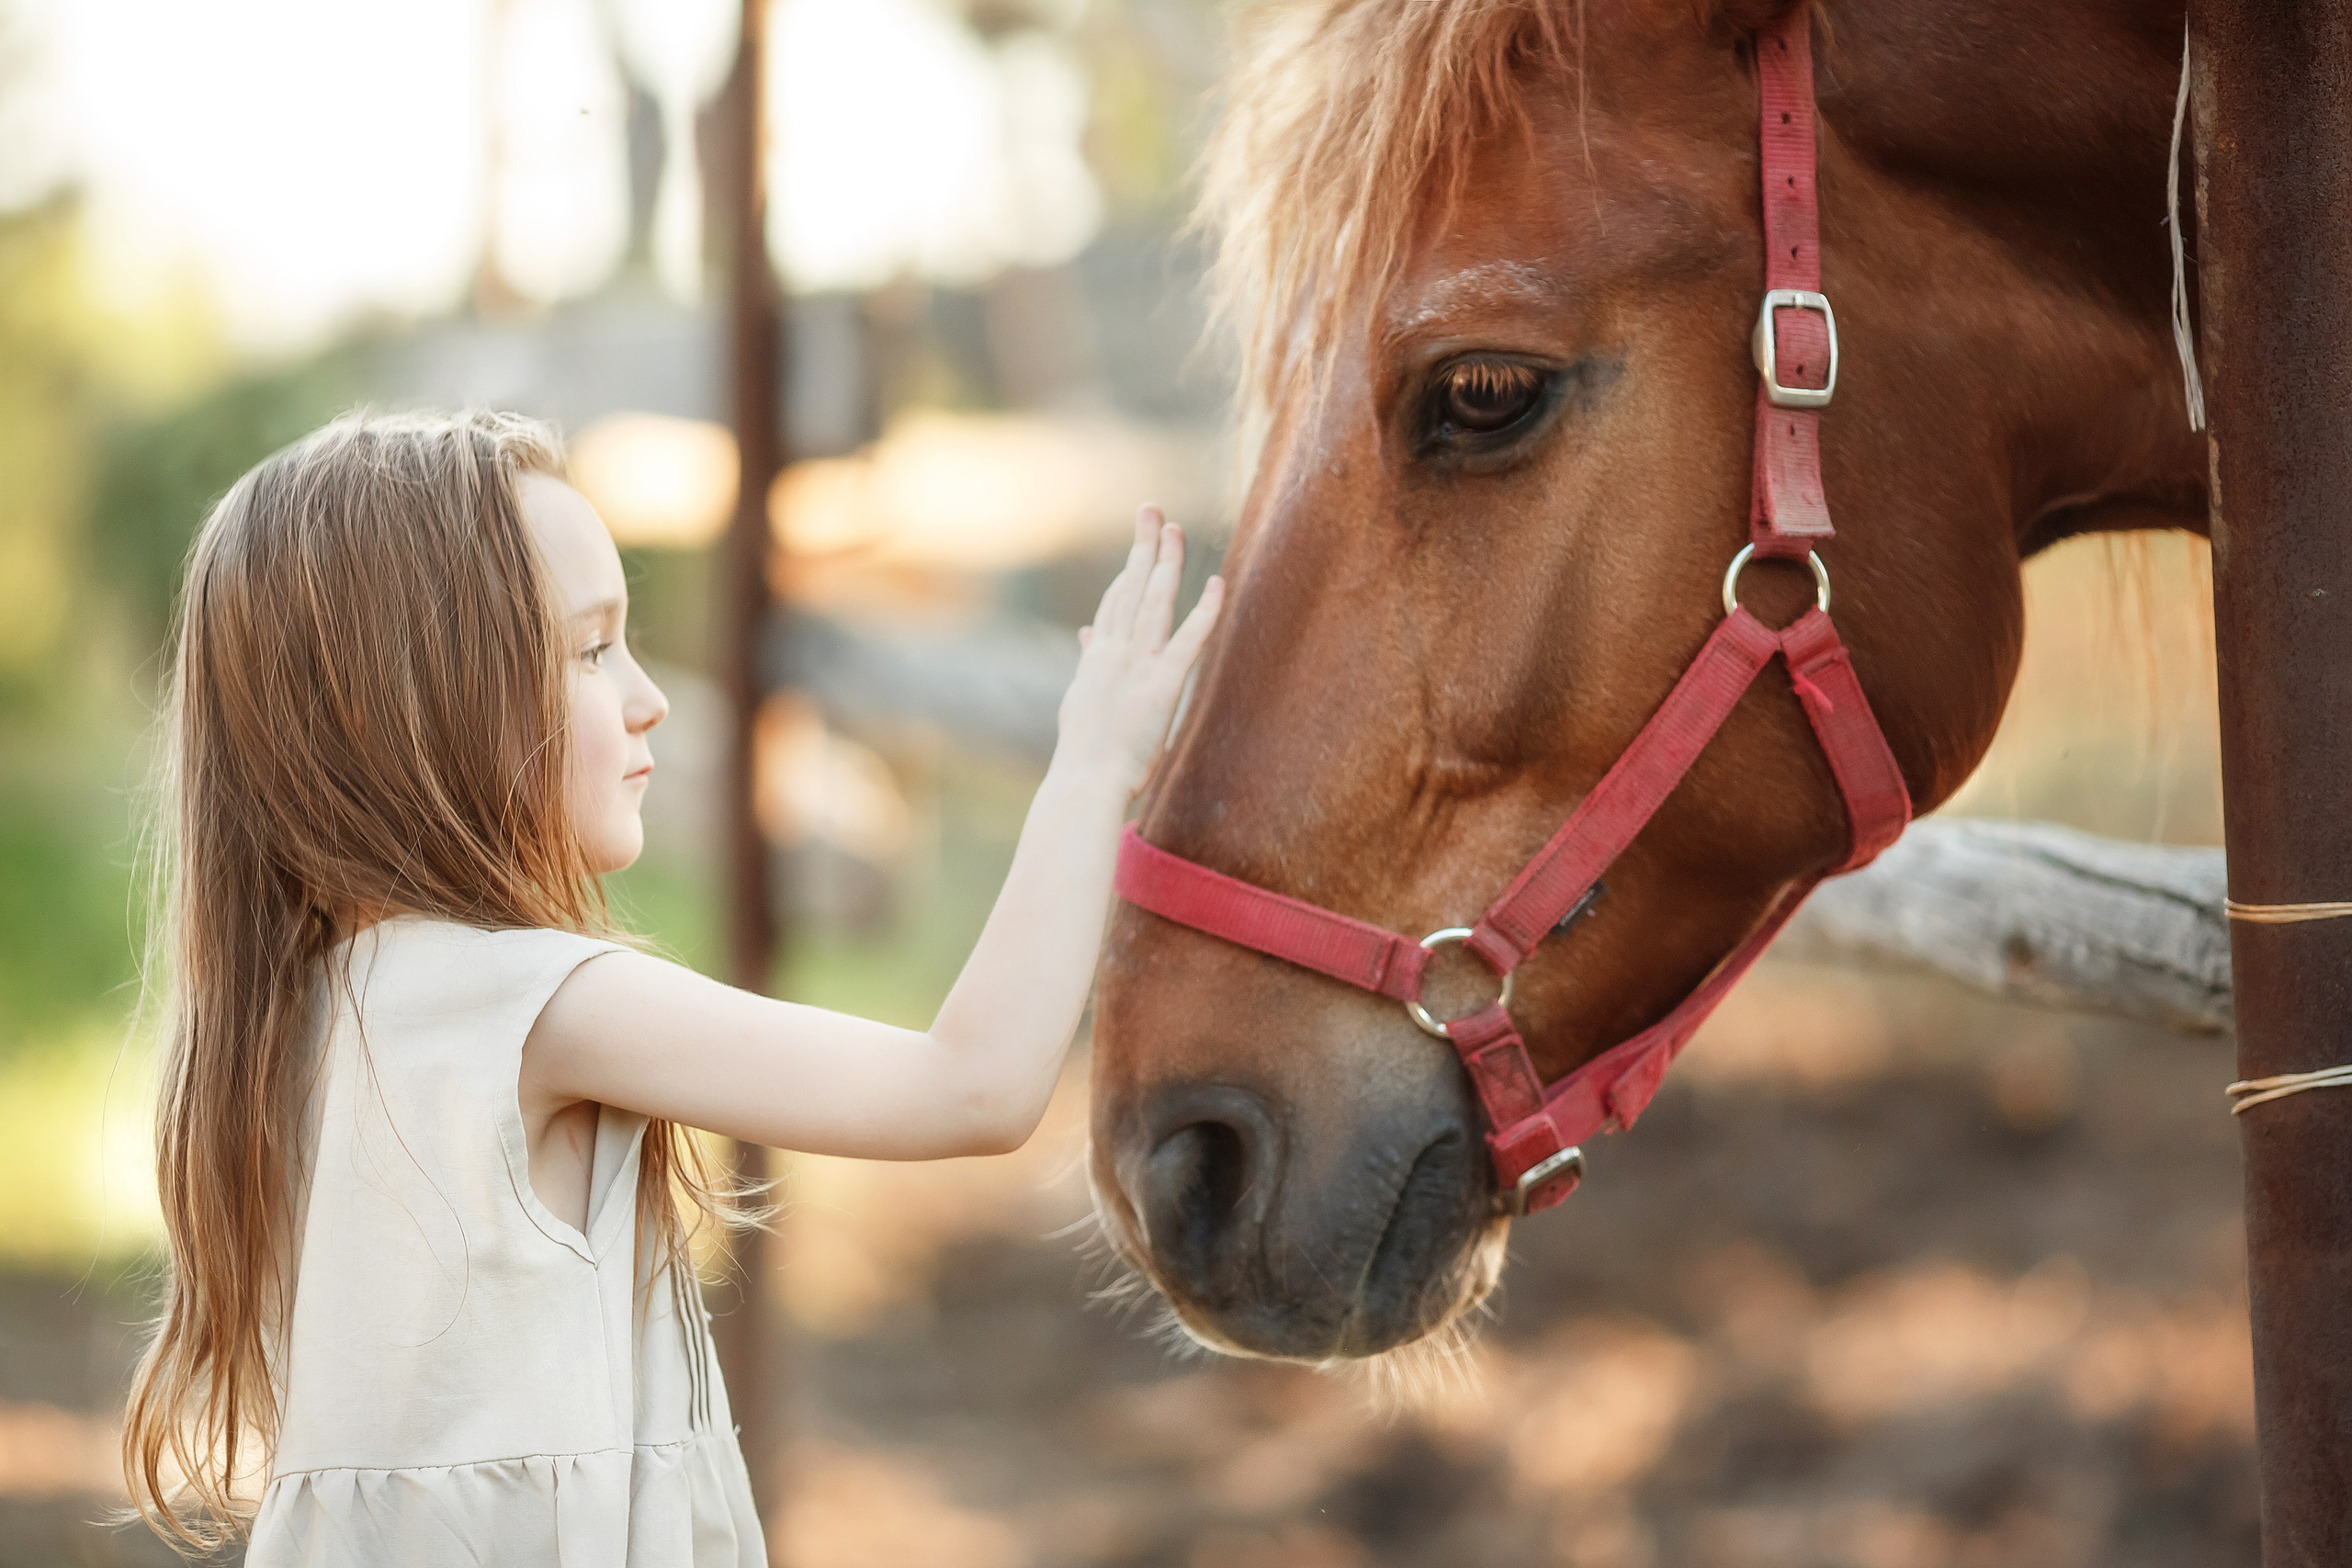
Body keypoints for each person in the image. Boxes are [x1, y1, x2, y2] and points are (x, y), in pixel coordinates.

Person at [119, 408, 1222, 1564]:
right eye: (591, 651)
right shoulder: (537, 1005)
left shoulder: (292, 1019)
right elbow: (974, 1087)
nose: (649, 697)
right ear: (417, 703)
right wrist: (1094, 761)